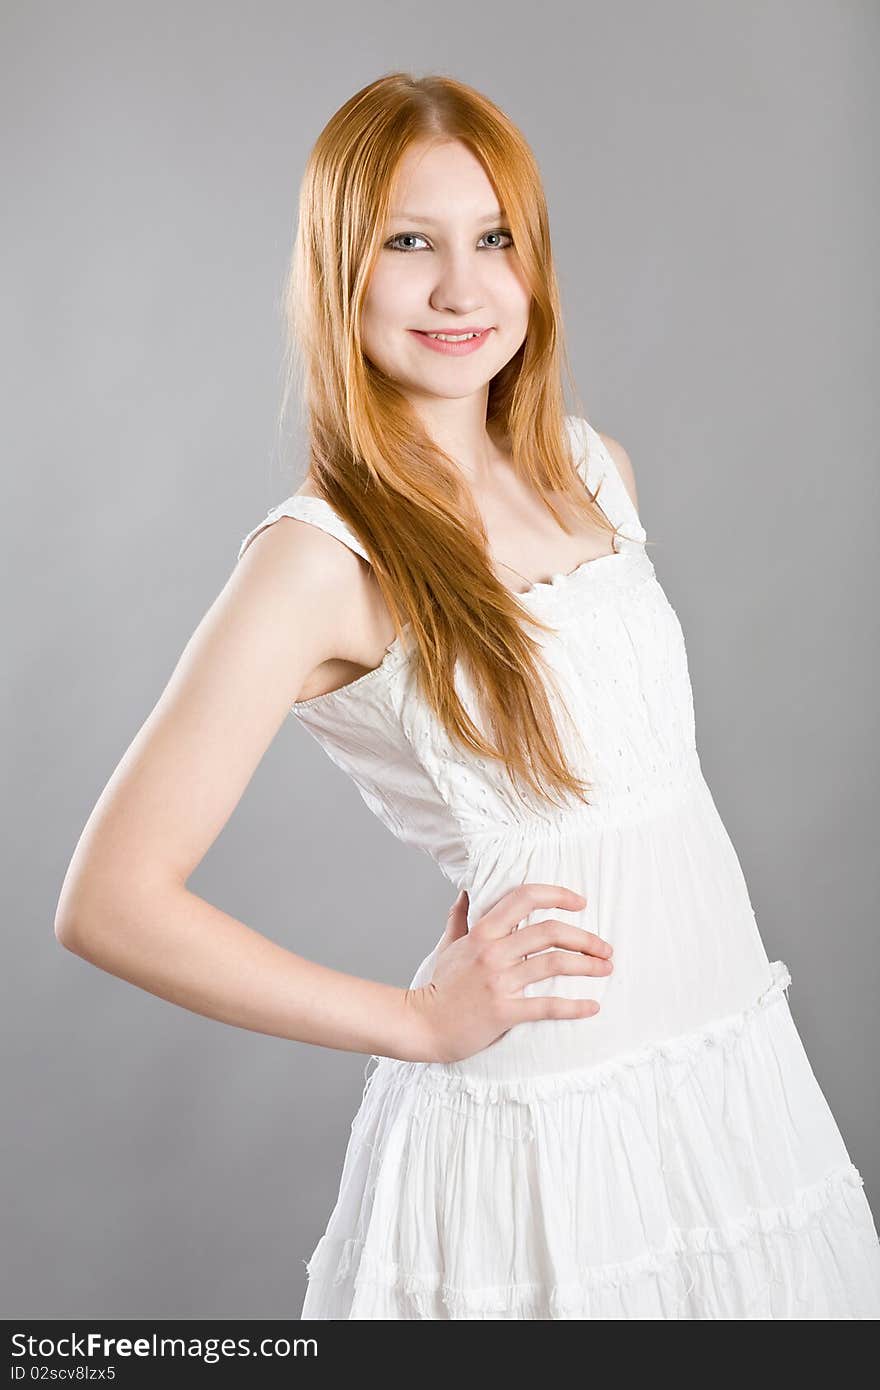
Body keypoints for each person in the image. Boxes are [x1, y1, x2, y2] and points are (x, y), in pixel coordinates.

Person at [55, 72, 880, 1320]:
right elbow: (108, 901)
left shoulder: (594, 473)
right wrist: (414, 1019)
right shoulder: (317, 559)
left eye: (492, 239)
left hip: (729, 1084)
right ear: (341, 269)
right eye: (408, 242)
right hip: (543, 1132)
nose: (459, 287)